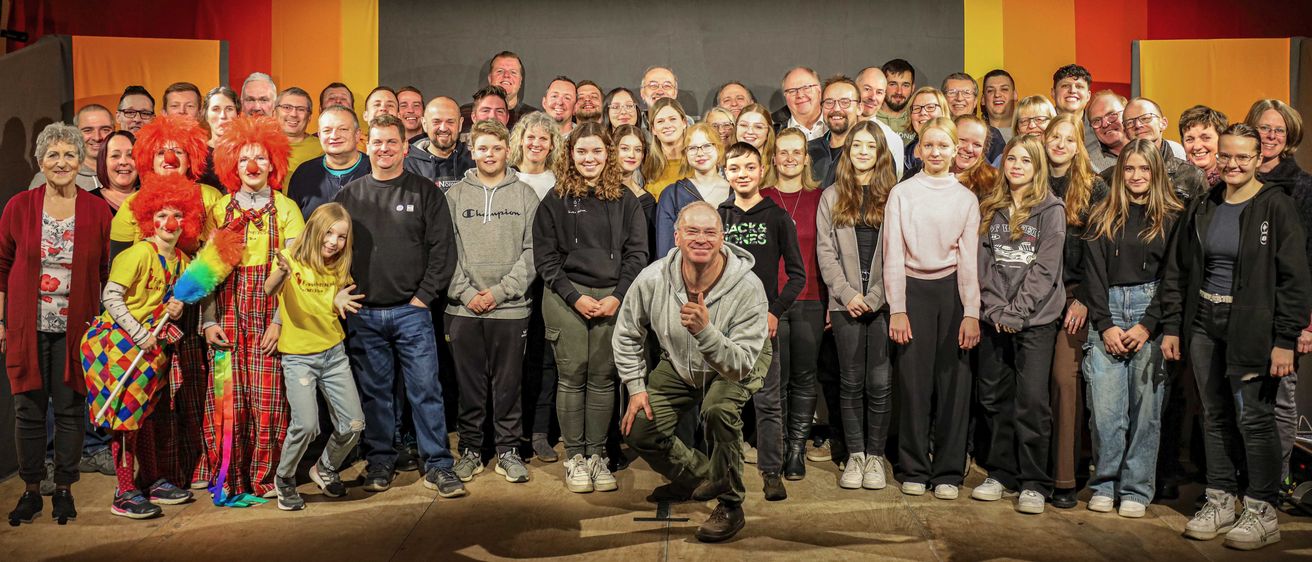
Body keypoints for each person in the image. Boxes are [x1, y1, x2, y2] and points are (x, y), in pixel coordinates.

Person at [1163, 124, 1310, 551]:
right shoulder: (1204, 204)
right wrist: (1173, 325)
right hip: (1205, 324)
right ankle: (1220, 498)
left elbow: (1295, 279)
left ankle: (1262, 509)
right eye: (1226, 156)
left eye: (1242, 157)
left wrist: (1285, 337)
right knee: (1215, 416)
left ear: (1258, 157)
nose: (1232, 164)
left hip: (1254, 330)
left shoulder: (1276, 206)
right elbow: (1180, 269)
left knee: (1256, 420)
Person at [615, 201, 769, 543]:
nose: (701, 239)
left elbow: (741, 362)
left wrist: (704, 332)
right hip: (679, 361)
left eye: (710, 232)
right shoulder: (653, 278)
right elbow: (626, 332)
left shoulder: (748, 287)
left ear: (722, 237)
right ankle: (697, 476)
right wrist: (636, 388)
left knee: (718, 410)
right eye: (692, 231)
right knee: (640, 429)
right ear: (677, 236)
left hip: (737, 358)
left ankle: (730, 503)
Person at [333, 114, 462, 497]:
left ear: (406, 147)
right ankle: (380, 462)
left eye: (392, 142)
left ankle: (438, 464)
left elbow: (443, 251)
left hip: (413, 312)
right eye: (377, 142)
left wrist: (423, 297)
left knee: (425, 390)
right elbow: (331, 251)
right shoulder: (349, 196)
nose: (384, 149)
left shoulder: (425, 192)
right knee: (376, 394)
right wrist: (339, 291)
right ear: (365, 145)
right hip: (365, 314)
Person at [2, 122, 113, 525]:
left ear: (81, 160)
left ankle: (65, 488)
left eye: (70, 154)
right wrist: (0, 320)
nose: (62, 162)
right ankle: (31, 490)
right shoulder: (19, 206)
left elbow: (102, 270)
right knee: (28, 410)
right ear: (40, 162)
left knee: (70, 409)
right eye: (53, 155)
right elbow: (1, 266)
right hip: (25, 326)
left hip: (77, 328)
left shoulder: (98, 209)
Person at [535, 122, 649, 493]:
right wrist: (573, 296)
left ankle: (598, 456)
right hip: (566, 297)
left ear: (608, 154)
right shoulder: (555, 199)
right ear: (570, 155)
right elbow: (546, 258)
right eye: (581, 151)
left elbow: (638, 254)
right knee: (572, 376)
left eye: (597, 151)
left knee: (603, 378)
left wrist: (617, 295)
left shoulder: (626, 200)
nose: (589, 158)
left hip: (613, 296)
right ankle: (576, 458)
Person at [111, 115, 221, 491]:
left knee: (190, 398)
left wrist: (198, 312)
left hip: (189, 317)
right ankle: (147, 477)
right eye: (162, 151)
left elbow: (212, 262)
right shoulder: (134, 205)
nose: (170, 157)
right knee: (146, 405)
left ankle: (189, 471)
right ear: (148, 157)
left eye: (179, 150)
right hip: (144, 323)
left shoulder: (209, 197)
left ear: (192, 157)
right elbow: (122, 272)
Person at [201, 116, 304, 502]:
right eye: (244, 159)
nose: (253, 166)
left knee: (269, 401)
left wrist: (280, 321)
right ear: (233, 164)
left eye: (260, 157)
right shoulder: (220, 210)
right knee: (228, 401)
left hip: (270, 309)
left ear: (273, 162)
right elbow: (208, 272)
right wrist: (208, 320)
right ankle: (228, 481)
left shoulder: (288, 208)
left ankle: (265, 480)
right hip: (227, 307)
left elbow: (293, 272)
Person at [1080, 138, 1181, 519]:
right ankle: (1104, 484)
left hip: (1149, 310)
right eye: (1130, 169)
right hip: (1107, 308)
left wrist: (1148, 325)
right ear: (1120, 173)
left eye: (1144, 169)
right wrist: (1104, 324)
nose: (1137, 176)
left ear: (1156, 173)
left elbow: (1174, 276)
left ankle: (1137, 488)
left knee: (1147, 410)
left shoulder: (1171, 216)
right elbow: (1092, 273)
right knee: (1106, 411)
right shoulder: (1102, 213)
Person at [92, 175, 201, 518]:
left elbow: (179, 297)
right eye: (162, 215)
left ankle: (152, 480)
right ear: (148, 219)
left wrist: (179, 306)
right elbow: (110, 296)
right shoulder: (138, 253)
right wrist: (139, 333)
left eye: (178, 216)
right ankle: (124, 491)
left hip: (152, 348)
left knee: (148, 415)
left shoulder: (182, 259)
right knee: (124, 418)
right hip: (116, 344)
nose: (170, 223)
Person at [884, 117, 981, 499]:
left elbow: (970, 260)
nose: (937, 152)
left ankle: (948, 472)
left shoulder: (965, 198)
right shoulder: (902, 194)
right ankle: (913, 467)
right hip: (912, 292)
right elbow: (893, 253)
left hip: (953, 293)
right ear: (918, 150)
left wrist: (971, 311)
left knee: (955, 384)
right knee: (913, 384)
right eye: (930, 145)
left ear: (956, 150)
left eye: (944, 145)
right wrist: (897, 307)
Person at [973, 135, 1066, 515]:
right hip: (995, 318)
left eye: (1026, 161)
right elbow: (983, 262)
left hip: (1035, 322)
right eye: (1012, 159)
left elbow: (1046, 269)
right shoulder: (990, 208)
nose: (1016, 167)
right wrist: (995, 308)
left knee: (1031, 402)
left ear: (1038, 167)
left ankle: (1034, 482)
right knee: (994, 397)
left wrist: (1017, 311)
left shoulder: (1050, 209)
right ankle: (1001, 472)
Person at [446, 120, 540, 486]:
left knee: (508, 384)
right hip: (463, 309)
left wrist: (500, 292)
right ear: (472, 151)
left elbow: (533, 252)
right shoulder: (454, 196)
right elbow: (445, 251)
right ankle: (470, 449)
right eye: (482, 148)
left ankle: (508, 451)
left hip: (511, 309)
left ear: (507, 151)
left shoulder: (525, 195)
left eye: (496, 148)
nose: (489, 154)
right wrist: (468, 293)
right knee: (468, 386)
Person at [262, 202, 364, 510]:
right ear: (315, 230)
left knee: (353, 424)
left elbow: (332, 300)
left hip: (334, 354)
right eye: (329, 233)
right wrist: (281, 273)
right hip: (299, 358)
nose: (334, 242)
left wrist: (338, 300)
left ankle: (325, 467)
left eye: (342, 236)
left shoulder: (339, 266)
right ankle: (285, 478)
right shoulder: (291, 258)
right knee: (306, 425)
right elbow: (270, 290)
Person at [718, 142, 805, 501]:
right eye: (735, 168)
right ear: (726, 172)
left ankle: (771, 471)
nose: (742, 174)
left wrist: (774, 311)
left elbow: (797, 275)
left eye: (749, 168)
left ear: (761, 170)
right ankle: (723, 471)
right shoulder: (719, 215)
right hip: (723, 326)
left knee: (769, 401)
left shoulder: (777, 216)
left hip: (763, 325)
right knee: (723, 402)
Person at [814, 120, 897, 491]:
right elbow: (825, 252)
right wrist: (848, 295)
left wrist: (877, 295)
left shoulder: (896, 195)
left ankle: (876, 457)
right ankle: (855, 455)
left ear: (881, 153)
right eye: (856, 146)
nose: (862, 152)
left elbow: (901, 252)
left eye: (870, 146)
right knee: (849, 382)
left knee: (879, 383)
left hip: (884, 303)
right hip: (843, 303)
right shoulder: (831, 196)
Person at [1244, 99, 1312, 494]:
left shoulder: (1303, 187)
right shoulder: (1233, 181)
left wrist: (1305, 321)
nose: (1269, 137)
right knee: (1243, 403)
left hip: (1285, 312)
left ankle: (1276, 482)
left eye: (1277, 131)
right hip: (1240, 311)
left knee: (1279, 401)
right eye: (1263, 128)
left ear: (1289, 138)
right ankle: (1244, 481)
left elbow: (1308, 259)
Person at [1042, 113, 1109, 508]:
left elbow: (1100, 250)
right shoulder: (1031, 182)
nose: (1061, 144)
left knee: (1065, 381)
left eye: (1069, 138)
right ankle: (1031, 470)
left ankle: (1065, 477)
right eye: (1055, 137)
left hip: (1074, 296)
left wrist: (1083, 296)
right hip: (1033, 293)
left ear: (1078, 144)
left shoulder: (1094, 188)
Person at [761, 128, 825, 482]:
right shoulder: (762, 197)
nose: (788, 158)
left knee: (804, 377)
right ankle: (779, 446)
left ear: (805, 158)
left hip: (812, 298)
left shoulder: (820, 198)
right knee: (775, 379)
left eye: (795, 152)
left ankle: (797, 450)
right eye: (782, 152)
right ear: (773, 158)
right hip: (771, 302)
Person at [1100, 98, 1207, 205]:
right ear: (1125, 131)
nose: (1138, 125)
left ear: (1163, 123)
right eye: (1130, 122)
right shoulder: (1109, 179)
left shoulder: (1191, 176)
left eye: (1146, 118)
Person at [655, 123, 728, 257]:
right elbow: (665, 251)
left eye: (707, 146)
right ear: (685, 153)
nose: (700, 153)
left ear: (718, 148)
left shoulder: (735, 192)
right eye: (693, 148)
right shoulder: (672, 195)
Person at [287, 105, 373, 217]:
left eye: (343, 129)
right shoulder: (304, 173)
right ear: (319, 135)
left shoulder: (374, 169)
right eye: (327, 130)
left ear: (357, 135)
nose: (334, 136)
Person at [30, 105, 114, 191]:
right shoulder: (49, 178)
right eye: (88, 130)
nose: (97, 137)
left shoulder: (124, 173)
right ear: (75, 134)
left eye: (105, 130)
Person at [405, 96, 475, 192]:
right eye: (436, 122)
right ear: (424, 124)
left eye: (450, 122)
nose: (443, 128)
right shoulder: (409, 165)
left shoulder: (475, 160)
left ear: (460, 124)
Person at [460, 51, 538, 132]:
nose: (506, 75)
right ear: (490, 78)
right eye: (500, 71)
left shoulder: (533, 117)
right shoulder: (465, 114)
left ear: (520, 80)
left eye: (513, 72)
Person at [614, 124, 660, 255]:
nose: (632, 155)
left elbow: (649, 246)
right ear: (613, 150)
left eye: (638, 150)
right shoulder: (598, 191)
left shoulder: (647, 201)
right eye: (624, 148)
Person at [941, 72, 1005, 162]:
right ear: (942, 98)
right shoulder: (934, 131)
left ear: (975, 101)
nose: (959, 98)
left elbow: (999, 171)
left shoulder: (992, 135)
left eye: (966, 93)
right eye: (952, 92)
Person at [855, 66, 908, 175]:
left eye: (879, 92)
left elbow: (895, 185)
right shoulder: (836, 130)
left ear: (884, 96)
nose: (873, 97)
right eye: (867, 89)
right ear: (855, 89)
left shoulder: (892, 139)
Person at [509, 111, 564, 199]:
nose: (536, 143)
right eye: (531, 137)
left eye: (543, 138)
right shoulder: (507, 176)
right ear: (521, 140)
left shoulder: (558, 181)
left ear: (552, 144)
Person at [646, 98, 690, 200]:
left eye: (672, 119)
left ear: (684, 123)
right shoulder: (646, 165)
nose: (667, 125)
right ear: (653, 129)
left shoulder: (698, 161)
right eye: (660, 121)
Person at [901, 87, 949, 177]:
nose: (922, 112)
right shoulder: (901, 154)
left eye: (930, 107)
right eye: (916, 108)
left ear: (943, 112)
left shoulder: (956, 156)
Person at [276, 87, 323, 176]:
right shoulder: (260, 146)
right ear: (274, 112)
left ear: (309, 117)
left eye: (301, 109)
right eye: (287, 107)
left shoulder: (323, 149)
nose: (293, 114)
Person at [200, 86, 241, 189]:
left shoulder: (247, 151)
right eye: (216, 109)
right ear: (206, 115)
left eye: (229, 109)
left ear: (238, 115)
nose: (223, 115)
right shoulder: (197, 153)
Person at [1050, 64, 1097, 151]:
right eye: (1065, 86)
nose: (1072, 90)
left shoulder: (1099, 129)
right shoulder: (1040, 126)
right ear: (1053, 93)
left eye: (1079, 86)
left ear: (1088, 95)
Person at [1179, 105, 1227, 186]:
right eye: (1189, 139)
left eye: (1205, 138)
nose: (1197, 147)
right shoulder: (1173, 181)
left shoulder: (1233, 180)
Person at [950, 114, 997, 196]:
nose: (969, 149)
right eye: (963, 140)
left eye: (977, 145)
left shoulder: (992, 181)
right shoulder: (929, 172)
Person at [775, 67, 825, 141]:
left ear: (819, 90)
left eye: (806, 87)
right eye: (792, 91)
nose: (800, 95)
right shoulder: (772, 132)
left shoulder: (840, 124)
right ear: (785, 95)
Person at [94, 131, 139, 211]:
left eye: (130, 155)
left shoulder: (154, 199)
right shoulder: (87, 201)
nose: (123, 162)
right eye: (115, 156)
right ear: (103, 162)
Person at [1086, 91, 1130, 173]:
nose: (1105, 124)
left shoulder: (1152, 149)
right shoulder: (1090, 166)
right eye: (1097, 120)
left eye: (1111, 115)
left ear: (1127, 113)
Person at [876, 59, 916, 145]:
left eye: (905, 85)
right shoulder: (869, 118)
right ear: (882, 85)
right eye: (893, 84)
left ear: (912, 88)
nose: (899, 92)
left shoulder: (918, 118)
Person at [981, 70, 1017, 142]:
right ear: (983, 99)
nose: (997, 94)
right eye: (990, 90)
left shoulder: (1029, 133)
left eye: (1004, 89)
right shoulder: (974, 134)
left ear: (1015, 95)